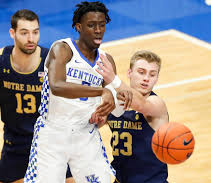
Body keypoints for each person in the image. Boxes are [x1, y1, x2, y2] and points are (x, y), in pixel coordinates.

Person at [0, 9, 73, 183]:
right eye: (24, 33)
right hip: (15, 141)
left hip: (49, 140)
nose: (31, 39)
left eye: (35, 32)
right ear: (13, 33)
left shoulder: (53, 61)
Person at [24, 1, 132, 183]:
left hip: (85, 134)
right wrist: (101, 92)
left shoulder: (106, 61)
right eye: (91, 25)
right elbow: (57, 86)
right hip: (52, 134)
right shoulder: (63, 49)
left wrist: (114, 100)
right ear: (79, 27)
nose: (98, 30)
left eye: (102, 24)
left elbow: (117, 110)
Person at [95, 50, 169, 183]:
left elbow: (140, 104)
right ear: (129, 73)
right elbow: (94, 124)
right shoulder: (115, 103)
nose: (146, 78)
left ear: (157, 78)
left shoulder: (156, 104)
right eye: (141, 72)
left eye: (152, 74)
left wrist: (113, 79)